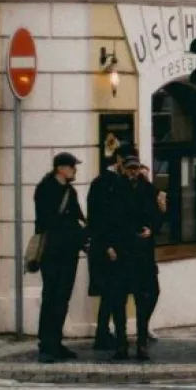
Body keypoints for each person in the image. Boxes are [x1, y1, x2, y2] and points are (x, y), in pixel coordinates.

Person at [33, 152, 87, 363]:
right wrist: (70, 228)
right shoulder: (45, 189)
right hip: (52, 251)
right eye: (72, 167)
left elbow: (78, 218)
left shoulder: (69, 191)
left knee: (63, 297)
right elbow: (47, 221)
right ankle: (46, 344)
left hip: (69, 251)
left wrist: (84, 236)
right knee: (51, 296)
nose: (75, 170)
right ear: (61, 169)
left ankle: (56, 341)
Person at [87, 144, 135, 354]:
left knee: (110, 293)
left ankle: (103, 333)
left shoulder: (116, 181)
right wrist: (106, 245)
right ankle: (111, 336)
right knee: (114, 291)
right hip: (107, 247)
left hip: (115, 245)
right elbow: (99, 217)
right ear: (118, 160)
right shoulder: (105, 183)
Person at [126, 159, 166, 361]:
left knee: (152, 292)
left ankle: (142, 332)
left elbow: (158, 217)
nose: (134, 172)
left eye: (136, 168)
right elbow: (116, 218)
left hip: (146, 252)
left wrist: (153, 227)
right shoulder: (119, 189)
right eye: (130, 169)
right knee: (124, 296)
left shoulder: (148, 188)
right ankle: (129, 342)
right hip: (126, 251)